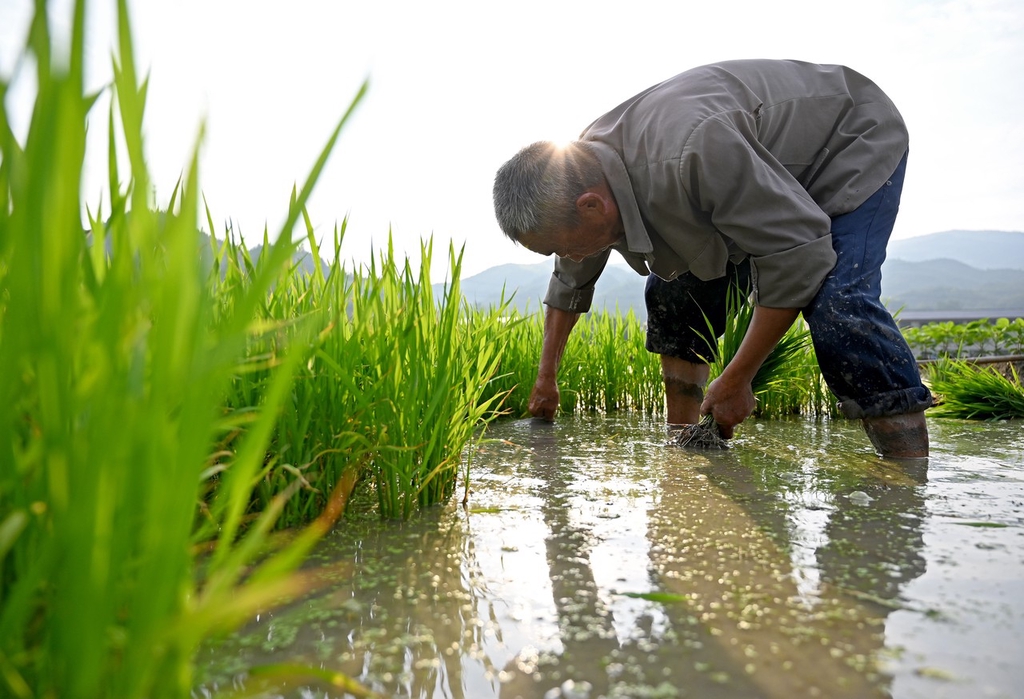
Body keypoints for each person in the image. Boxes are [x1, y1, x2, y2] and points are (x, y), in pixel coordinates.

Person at [492, 59, 933, 458]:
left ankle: (906, 473)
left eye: (562, 246)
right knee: (673, 295)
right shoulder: (577, 178)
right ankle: (685, 445)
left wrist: (738, 379)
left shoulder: (694, 149)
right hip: (748, 180)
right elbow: (570, 282)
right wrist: (545, 378)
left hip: (846, 140)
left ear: (592, 206)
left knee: (839, 305)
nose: (567, 256)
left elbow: (796, 254)